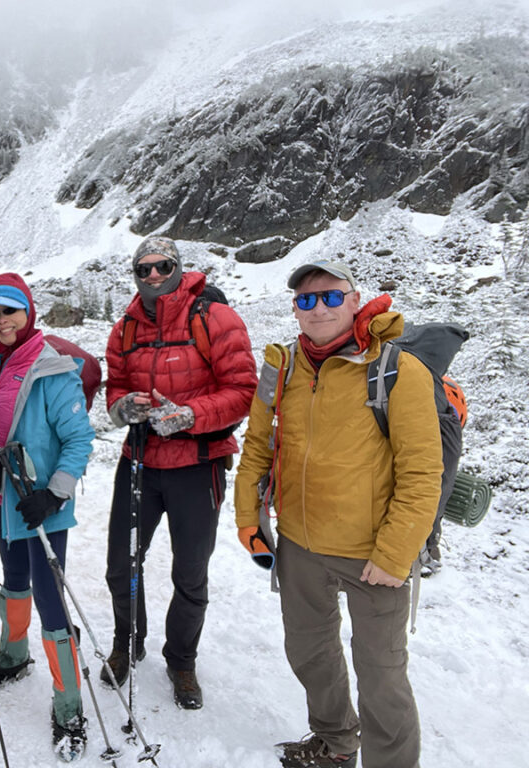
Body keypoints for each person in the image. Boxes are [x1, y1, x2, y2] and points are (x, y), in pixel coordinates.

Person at [234, 260, 442, 768]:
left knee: (381, 673)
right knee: (310, 653)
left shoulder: (398, 370)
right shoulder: (280, 367)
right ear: (296, 310)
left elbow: (422, 474)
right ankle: (335, 743)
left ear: (354, 301)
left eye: (330, 296)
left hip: (372, 552)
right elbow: (258, 446)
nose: (319, 307)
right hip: (300, 545)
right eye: (307, 300)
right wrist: (248, 519)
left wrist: (395, 555)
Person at [102, 236, 256, 710]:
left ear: (178, 267)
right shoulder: (125, 328)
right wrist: (122, 407)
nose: (152, 276)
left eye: (161, 267)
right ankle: (129, 642)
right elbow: (115, 388)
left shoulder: (215, 318)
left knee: (190, 572)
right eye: (142, 269)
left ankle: (181, 660)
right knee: (120, 565)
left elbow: (243, 390)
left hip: (197, 465)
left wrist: (190, 415)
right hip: (140, 462)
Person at [0, 273, 95, 760]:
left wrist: (56, 494)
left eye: (9, 310)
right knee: (13, 578)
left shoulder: (53, 370)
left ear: (28, 311)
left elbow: (80, 440)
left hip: (42, 509)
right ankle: (14, 657)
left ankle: (69, 707)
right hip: (2, 500)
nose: (1, 322)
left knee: (50, 599)